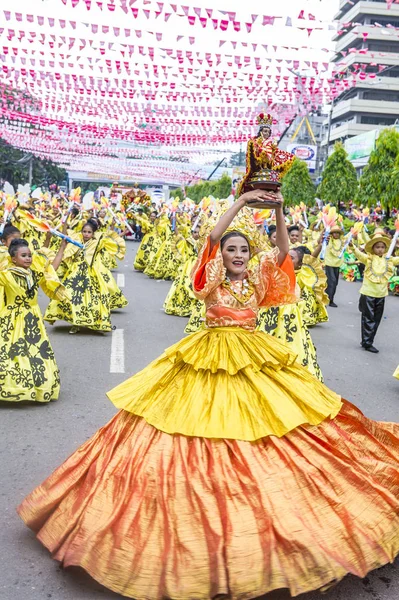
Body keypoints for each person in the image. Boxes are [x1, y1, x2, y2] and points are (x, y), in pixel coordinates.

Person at [17, 190, 399, 600]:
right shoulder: (212, 274)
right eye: (232, 249)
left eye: (243, 250)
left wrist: (279, 211)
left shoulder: (260, 275)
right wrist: (238, 204)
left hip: (253, 354)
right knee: (184, 430)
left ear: (251, 255)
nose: (237, 254)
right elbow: (213, 239)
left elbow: (283, 248)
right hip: (208, 352)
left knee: (272, 429)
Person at [0, 238, 69, 402]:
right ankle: (12, 386)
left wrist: (62, 248)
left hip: (33, 320)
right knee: (12, 353)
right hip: (12, 320)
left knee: (36, 352)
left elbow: (53, 269)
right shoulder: (6, 275)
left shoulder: (35, 273)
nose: (28, 258)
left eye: (29, 255)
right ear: (13, 259)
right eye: (23, 255)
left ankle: (37, 387)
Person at [352, 230, 399, 353]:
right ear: (373, 248)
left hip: (381, 294)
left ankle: (367, 340)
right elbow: (359, 255)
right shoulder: (368, 258)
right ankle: (367, 342)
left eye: (382, 247)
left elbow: (397, 260)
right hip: (368, 293)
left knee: (376, 319)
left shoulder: (389, 259)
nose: (380, 249)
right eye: (377, 247)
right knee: (368, 318)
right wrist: (352, 247)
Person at [323, 226, 344, 307]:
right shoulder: (329, 240)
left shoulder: (341, 241)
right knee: (331, 281)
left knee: (335, 283)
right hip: (329, 263)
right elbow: (324, 241)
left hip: (337, 264)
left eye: (338, 233)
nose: (336, 234)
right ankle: (329, 300)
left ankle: (329, 298)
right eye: (334, 232)